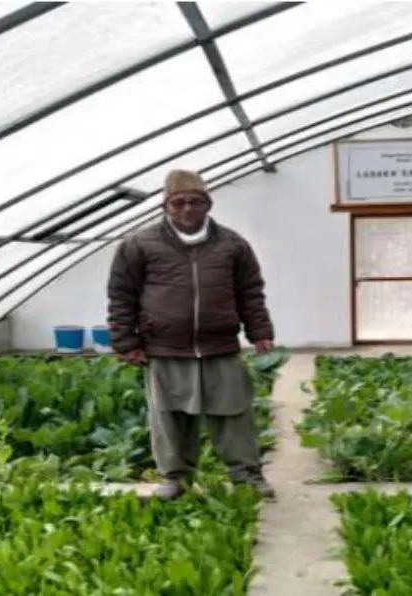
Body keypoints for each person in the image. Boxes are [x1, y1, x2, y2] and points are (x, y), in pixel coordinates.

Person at [106, 168, 277, 500]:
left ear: (208, 204)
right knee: (169, 417)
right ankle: (175, 479)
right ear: (165, 206)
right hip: (165, 346)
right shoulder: (139, 244)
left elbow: (250, 292)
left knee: (233, 412)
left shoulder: (232, 244)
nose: (187, 209)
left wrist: (260, 331)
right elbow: (121, 295)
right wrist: (126, 341)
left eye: (195, 202)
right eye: (179, 203)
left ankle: (246, 475)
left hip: (220, 345)